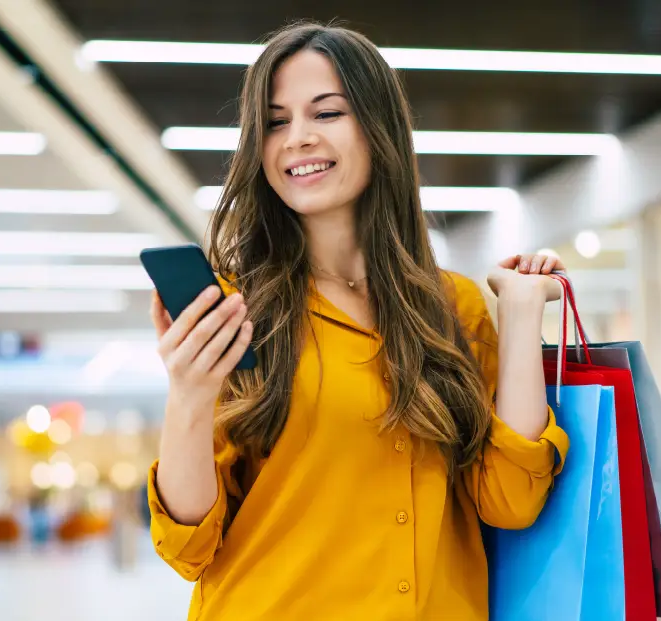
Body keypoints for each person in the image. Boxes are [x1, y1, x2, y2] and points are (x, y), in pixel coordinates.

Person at [147, 22, 570, 621]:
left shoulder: (452, 308)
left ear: (378, 127)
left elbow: (510, 499)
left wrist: (522, 314)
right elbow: (189, 546)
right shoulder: (239, 311)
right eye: (274, 121)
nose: (297, 138)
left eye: (326, 112)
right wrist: (189, 396)